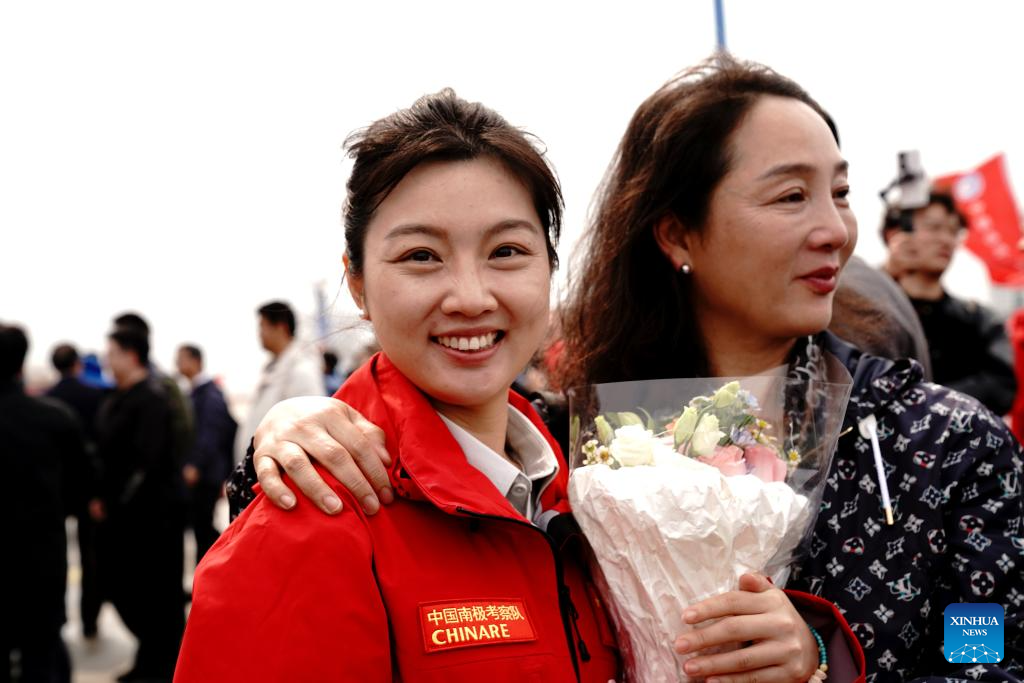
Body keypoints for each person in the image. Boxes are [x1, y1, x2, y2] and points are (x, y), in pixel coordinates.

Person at [244, 55, 1023, 682]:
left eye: (841, 192)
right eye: (791, 196)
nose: (835, 230)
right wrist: (293, 424)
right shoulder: (577, 435)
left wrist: (826, 661)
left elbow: (989, 658)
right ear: (677, 232)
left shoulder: (941, 443)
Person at [175, 88, 854, 683]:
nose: (470, 297)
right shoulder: (316, 519)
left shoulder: (592, 491)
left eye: (506, 251)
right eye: (421, 256)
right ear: (356, 282)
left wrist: (806, 655)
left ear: (549, 268)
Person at [97, 326, 185, 682]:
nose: (107, 359)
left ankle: (162, 667)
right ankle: (151, 660)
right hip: (126, 515)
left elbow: (146, 463)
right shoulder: (119, 397)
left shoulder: (151, 398)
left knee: (154, 596)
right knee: (131, 592)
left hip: (151, 518)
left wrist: (115, 504)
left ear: (131, 354)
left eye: (112, 351)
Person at [1, 324, 85, 683]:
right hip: (41, 559)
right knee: (42, 654)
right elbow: (82, 485)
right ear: (22, 363)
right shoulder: (55, 419)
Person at [882, 191, 1016, 414]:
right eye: (934, 227)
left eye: (954, 231)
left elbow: (1000, 388)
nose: (946, 239)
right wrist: (885, 274)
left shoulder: (979, 319)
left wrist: (921, 405)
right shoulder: (869, 311)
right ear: (895, 233)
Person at [47, 342, 105, 638]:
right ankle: (89, 621)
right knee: (89, 559)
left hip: (53, 493)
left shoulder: (47, 399)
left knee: (51, 555)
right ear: (77, 364)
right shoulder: (95, 396)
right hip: (86, 491)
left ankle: (53, 620)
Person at [233, 301, 324, 463]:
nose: (259, 333)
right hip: (258, 478)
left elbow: (308, 433)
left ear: (281, 327)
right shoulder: (273, 369)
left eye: (262, 326)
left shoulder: (301, 372)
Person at [175, 344, 237, 564]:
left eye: (181, 359)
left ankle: (214, 575)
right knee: (200, 528)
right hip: (202, 473)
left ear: (196, 361)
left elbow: (210, 434)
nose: (177, 363)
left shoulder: (209, 394)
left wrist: (196, 465)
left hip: (204, 475)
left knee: (203, 531)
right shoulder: (194, 392)